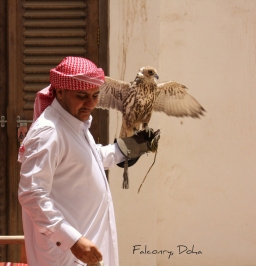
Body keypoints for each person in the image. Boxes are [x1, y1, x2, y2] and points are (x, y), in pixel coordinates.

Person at [18, 57, 157, 265]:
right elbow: (32, 194)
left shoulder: (72, 124)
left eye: (95, 96)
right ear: (60, 92)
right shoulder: (49, 132)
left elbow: (88, 159)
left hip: (86, 247)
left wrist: (126, 148)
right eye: (82, 96)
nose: (91, 104)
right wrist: (71, 240)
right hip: (65, 254)